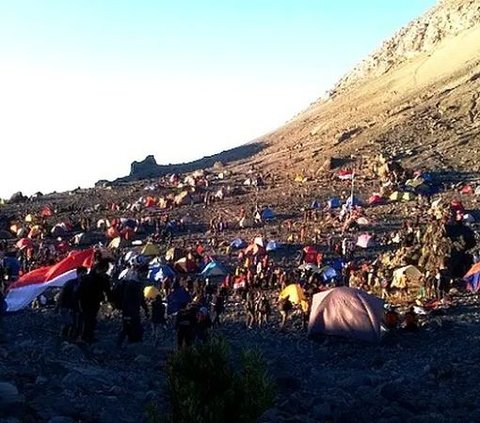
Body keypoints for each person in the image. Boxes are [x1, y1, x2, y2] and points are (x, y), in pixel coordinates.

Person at [77, 259, 111, 344]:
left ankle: (87, 337)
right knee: (88, 320)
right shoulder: (96, 278)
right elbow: (107, 291)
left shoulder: (88, 278)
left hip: (90, 302)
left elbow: (107, 291)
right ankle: (84, 338)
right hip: (87, 302)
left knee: (89, 319)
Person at [57, 266, 87, 340]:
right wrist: (60, 307)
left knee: (77, 325)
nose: (83, 275)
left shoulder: (85, 284)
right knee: (68, 323)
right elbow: (62, 296)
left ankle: (73, 338)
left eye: (85, 273)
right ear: (78, 274)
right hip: (67, 307)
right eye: (82, 273)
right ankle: (63, 337)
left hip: (77, 308)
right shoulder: (70, 283)